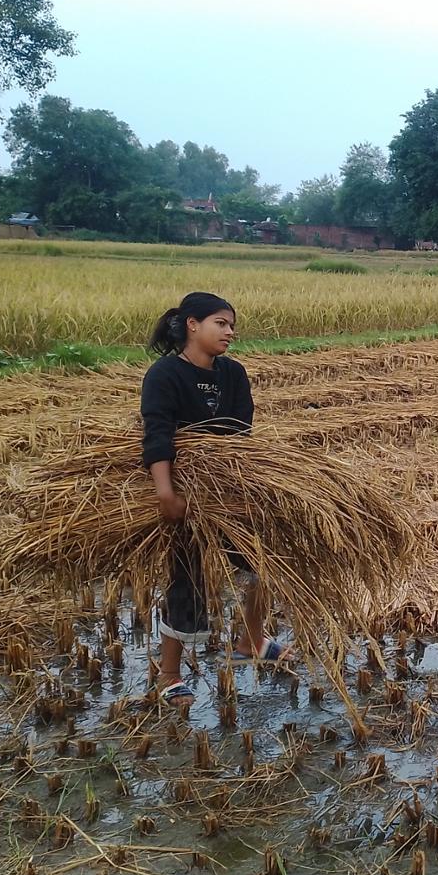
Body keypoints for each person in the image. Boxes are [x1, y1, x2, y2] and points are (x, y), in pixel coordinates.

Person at [140, 291, 283, 709]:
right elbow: (158, 434)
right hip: (185, 492)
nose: (230, 332)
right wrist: (166, 492)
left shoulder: (233, 374)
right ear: (192, 325)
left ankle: (251, 641)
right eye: (221, 323)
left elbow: (240, 437)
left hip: (229, 490)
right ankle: (169, 673)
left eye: (232, 324)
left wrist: (242, 487)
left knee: (262, 563)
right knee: (188, 580)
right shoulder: (164, 374)